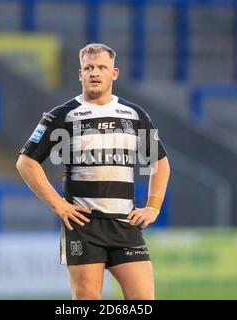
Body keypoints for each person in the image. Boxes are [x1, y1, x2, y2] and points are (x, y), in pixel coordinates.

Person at [16, 43, 170, 300]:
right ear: (80, 74)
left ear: (114, 73)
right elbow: (26, 162)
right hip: (84, 226)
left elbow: (160, 163)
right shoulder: (62, 116)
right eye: (88, 67)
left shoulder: (134, 115)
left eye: (101, 67)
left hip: (125, 223)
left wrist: (153, 207)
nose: (94, 72)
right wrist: (58, 204)